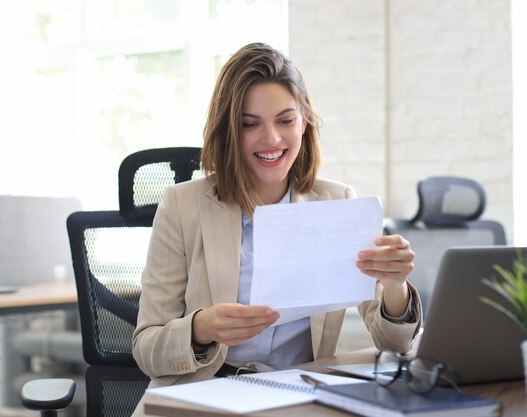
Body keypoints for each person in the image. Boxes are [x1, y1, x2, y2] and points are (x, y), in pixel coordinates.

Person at [132, 42, 422, 389]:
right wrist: (202, 328)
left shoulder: (335, 202)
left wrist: (395, 284)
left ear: (304, 121)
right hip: (205, 391)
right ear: (229, 131)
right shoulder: (183, 205)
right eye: (250, 124)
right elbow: (145, 349)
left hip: (295, 392)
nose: (271, 139)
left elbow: (396, 344)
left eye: (285, 120)